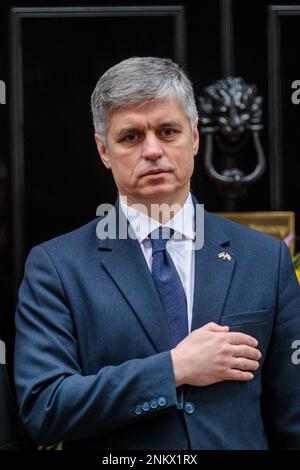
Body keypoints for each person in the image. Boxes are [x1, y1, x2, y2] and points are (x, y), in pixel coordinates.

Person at [14, 57, 300, 450]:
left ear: (195, 136)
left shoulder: (265, 259)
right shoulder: (57, 267)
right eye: (130, 137)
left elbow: (293, 418)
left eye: (168, 131)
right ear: (103, 150)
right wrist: (175, 368)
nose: (152, 150)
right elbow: (44, 408)